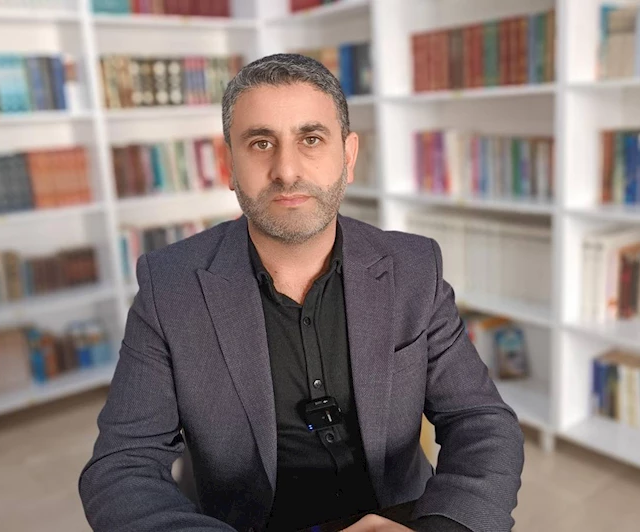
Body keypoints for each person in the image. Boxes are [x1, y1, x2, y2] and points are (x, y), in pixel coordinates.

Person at [79, 53, 524, 532]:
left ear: (347, 157)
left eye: (311, 139)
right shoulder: (170, 285)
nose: (286, 170)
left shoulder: (414, 267)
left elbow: (481, 421)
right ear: (229, 165)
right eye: (261, 143)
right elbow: (121, 469)